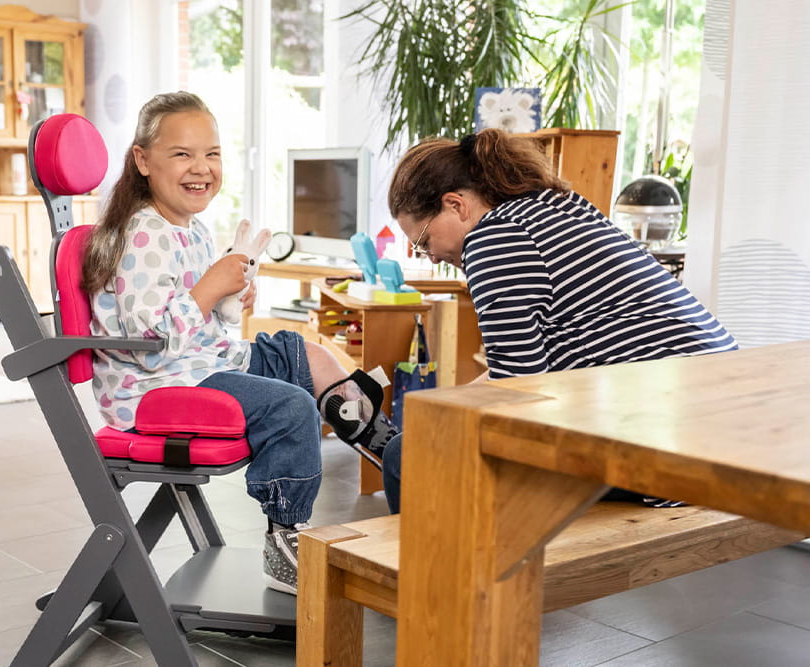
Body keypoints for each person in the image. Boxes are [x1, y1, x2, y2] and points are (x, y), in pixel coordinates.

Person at [80, 91, 398, 594]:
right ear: (143, 160)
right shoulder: (142, 234)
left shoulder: (193, 229)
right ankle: (284, 535)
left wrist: (232, 297)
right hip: (155, 390)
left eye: (212, 154)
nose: (201, 167)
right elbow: (150, 341)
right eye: (182, 154)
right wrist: (210, 289)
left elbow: (204, 324)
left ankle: (388, 449)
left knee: (307, 354)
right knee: (291, 406)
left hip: (199, 365)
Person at [380, 129, 738, 514]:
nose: (430, 257)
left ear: (456, 205)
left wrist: (437, 420)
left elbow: (517, 389)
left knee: (409, 452)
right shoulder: (551, 206)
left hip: (672, 449)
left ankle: (438, 573)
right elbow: (523, 369)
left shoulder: (492, 241)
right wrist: (446, 406)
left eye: (423, 241)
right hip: (715, 425)